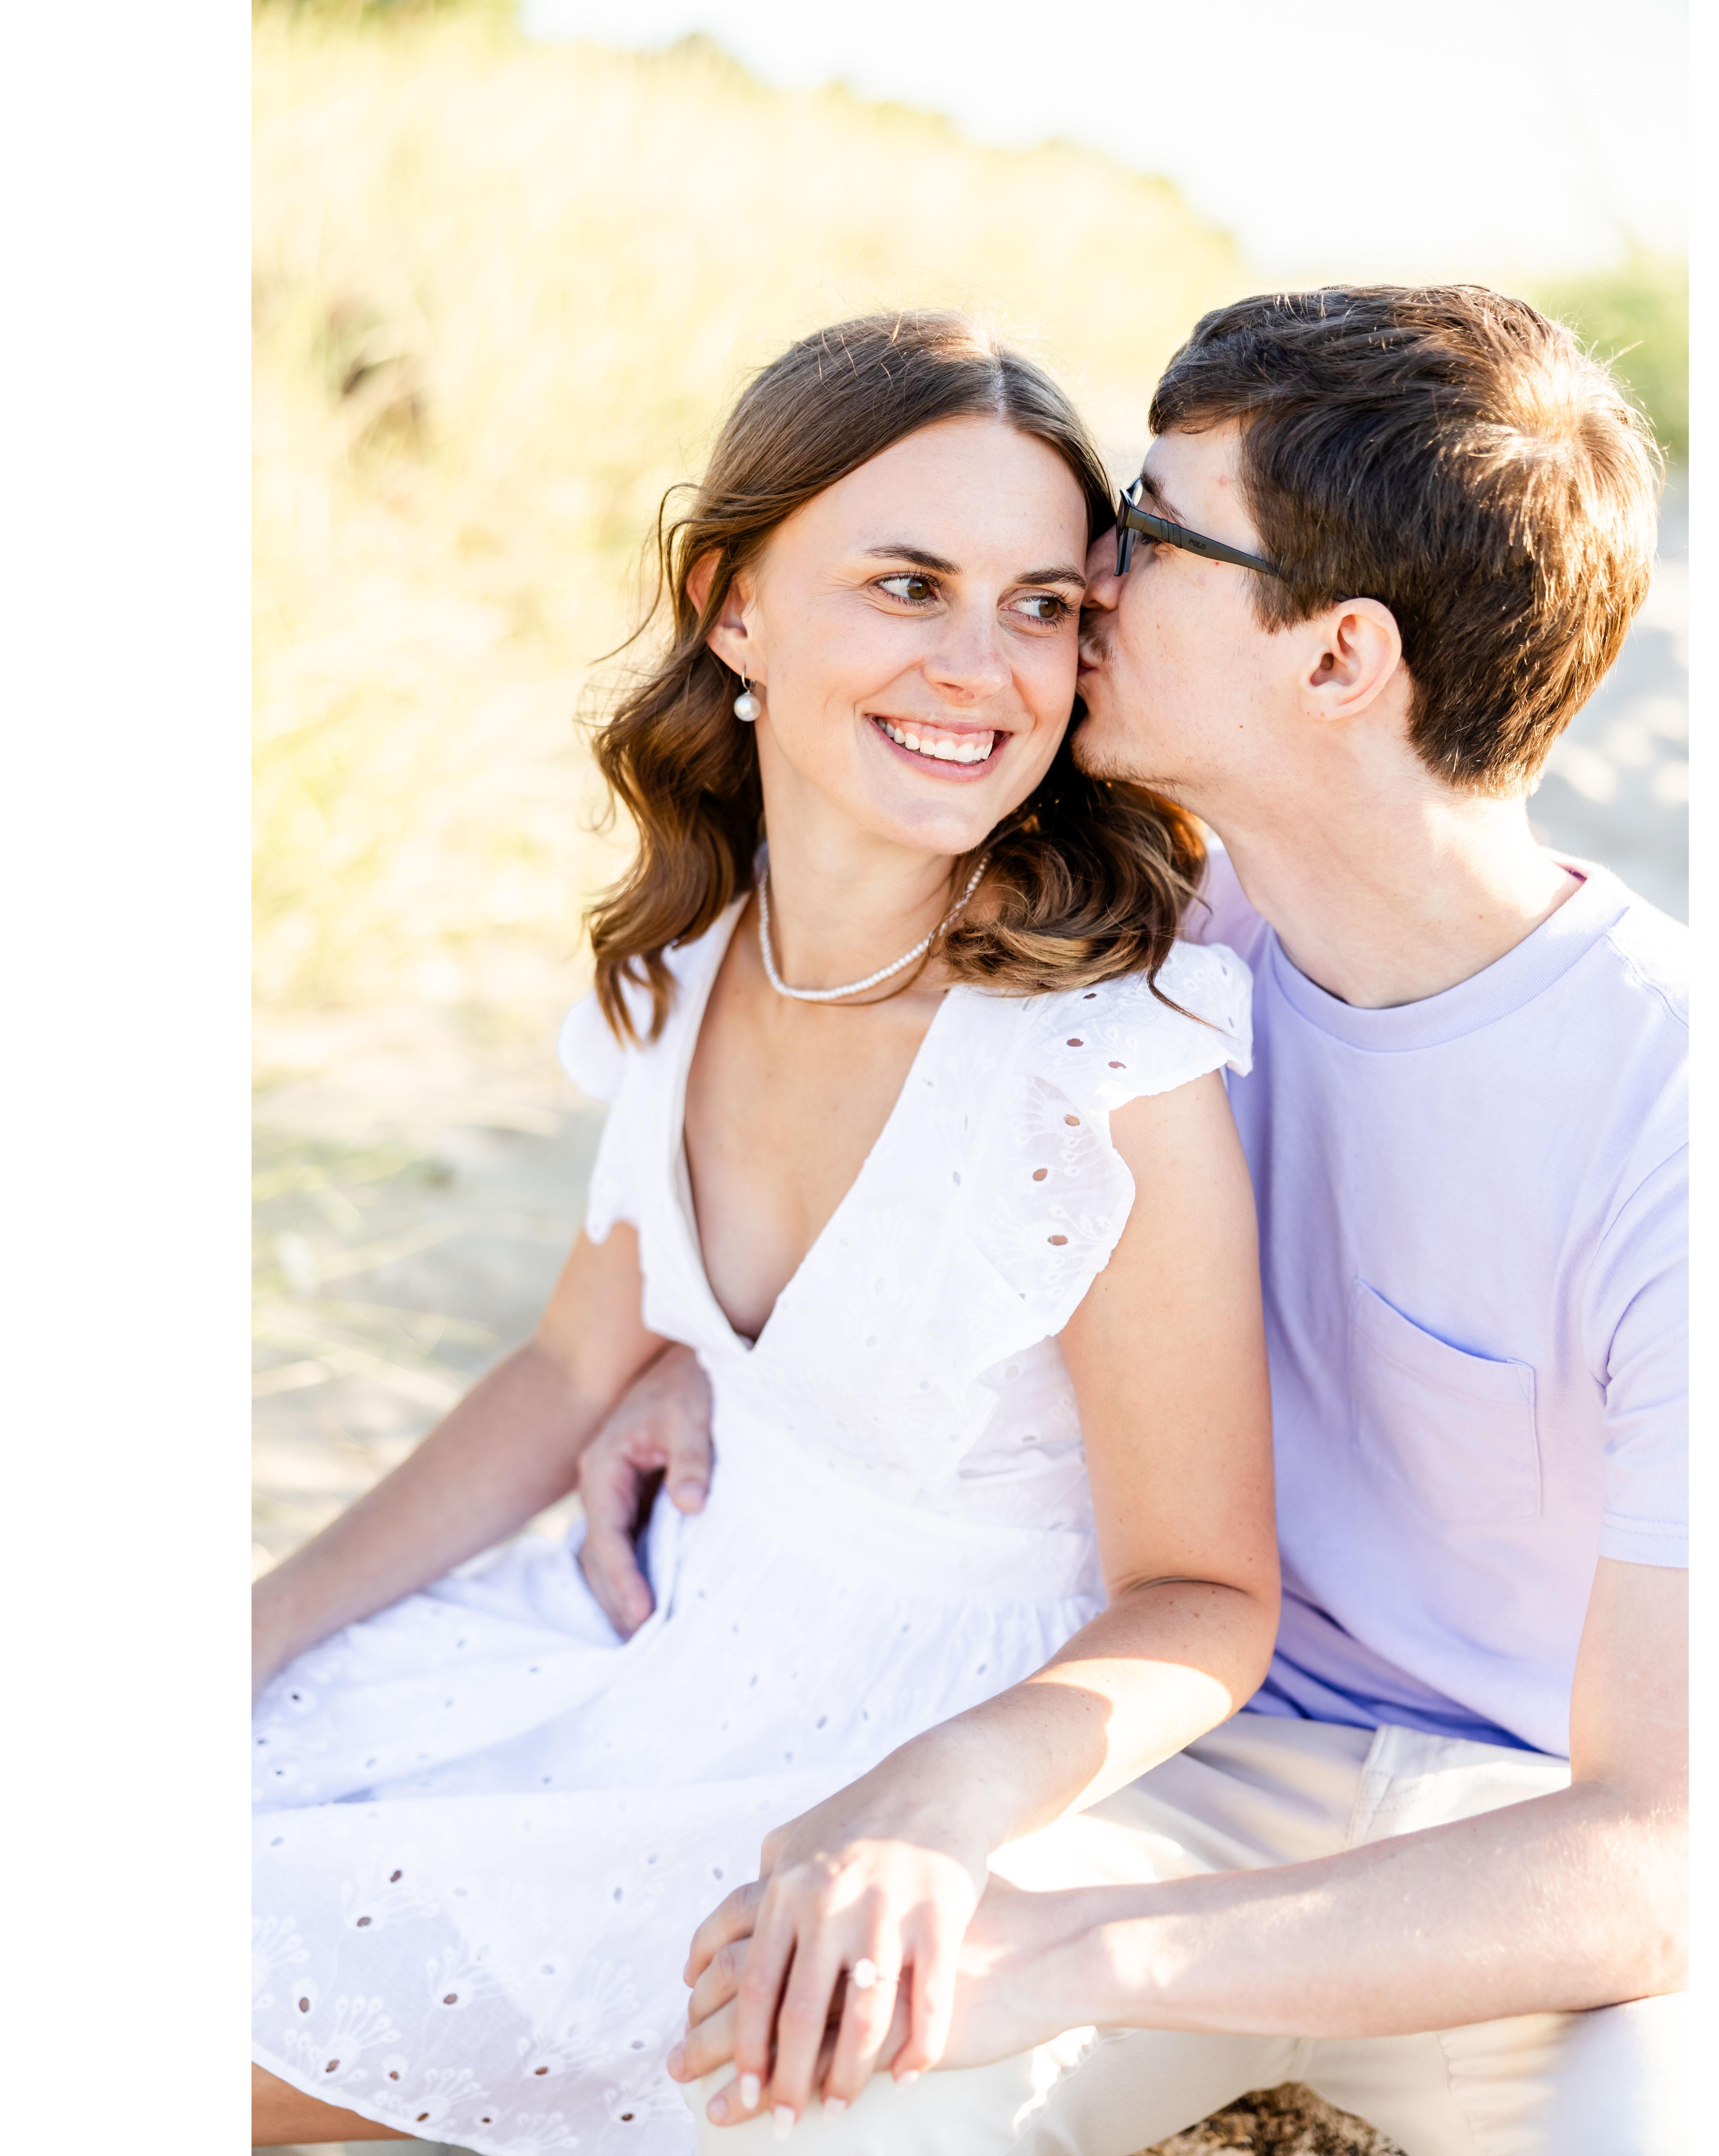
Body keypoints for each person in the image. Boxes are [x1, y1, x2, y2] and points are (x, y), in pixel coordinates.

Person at [656, 286, 1690, 2153]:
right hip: (1204, 1761)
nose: (1087, 576)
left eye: (1148, 528)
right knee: (808, 2094)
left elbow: (1659, 1849)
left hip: (1545, 1874)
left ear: (1338, 661)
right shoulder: (1150, 939)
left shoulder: (1693, 1122)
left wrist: (1081, 1953)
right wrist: (689, 1356)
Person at [248, 313, 1283, 2153]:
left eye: (1044, 606)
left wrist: (941, 1800)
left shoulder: (1095, 1071)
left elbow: (1205, 1600)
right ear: (734, 606)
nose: (983, 668)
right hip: (658, 1625)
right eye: (908, 585)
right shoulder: (689, 960)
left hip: (880, 1752)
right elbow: (575, 1361)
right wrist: (254, 1627)